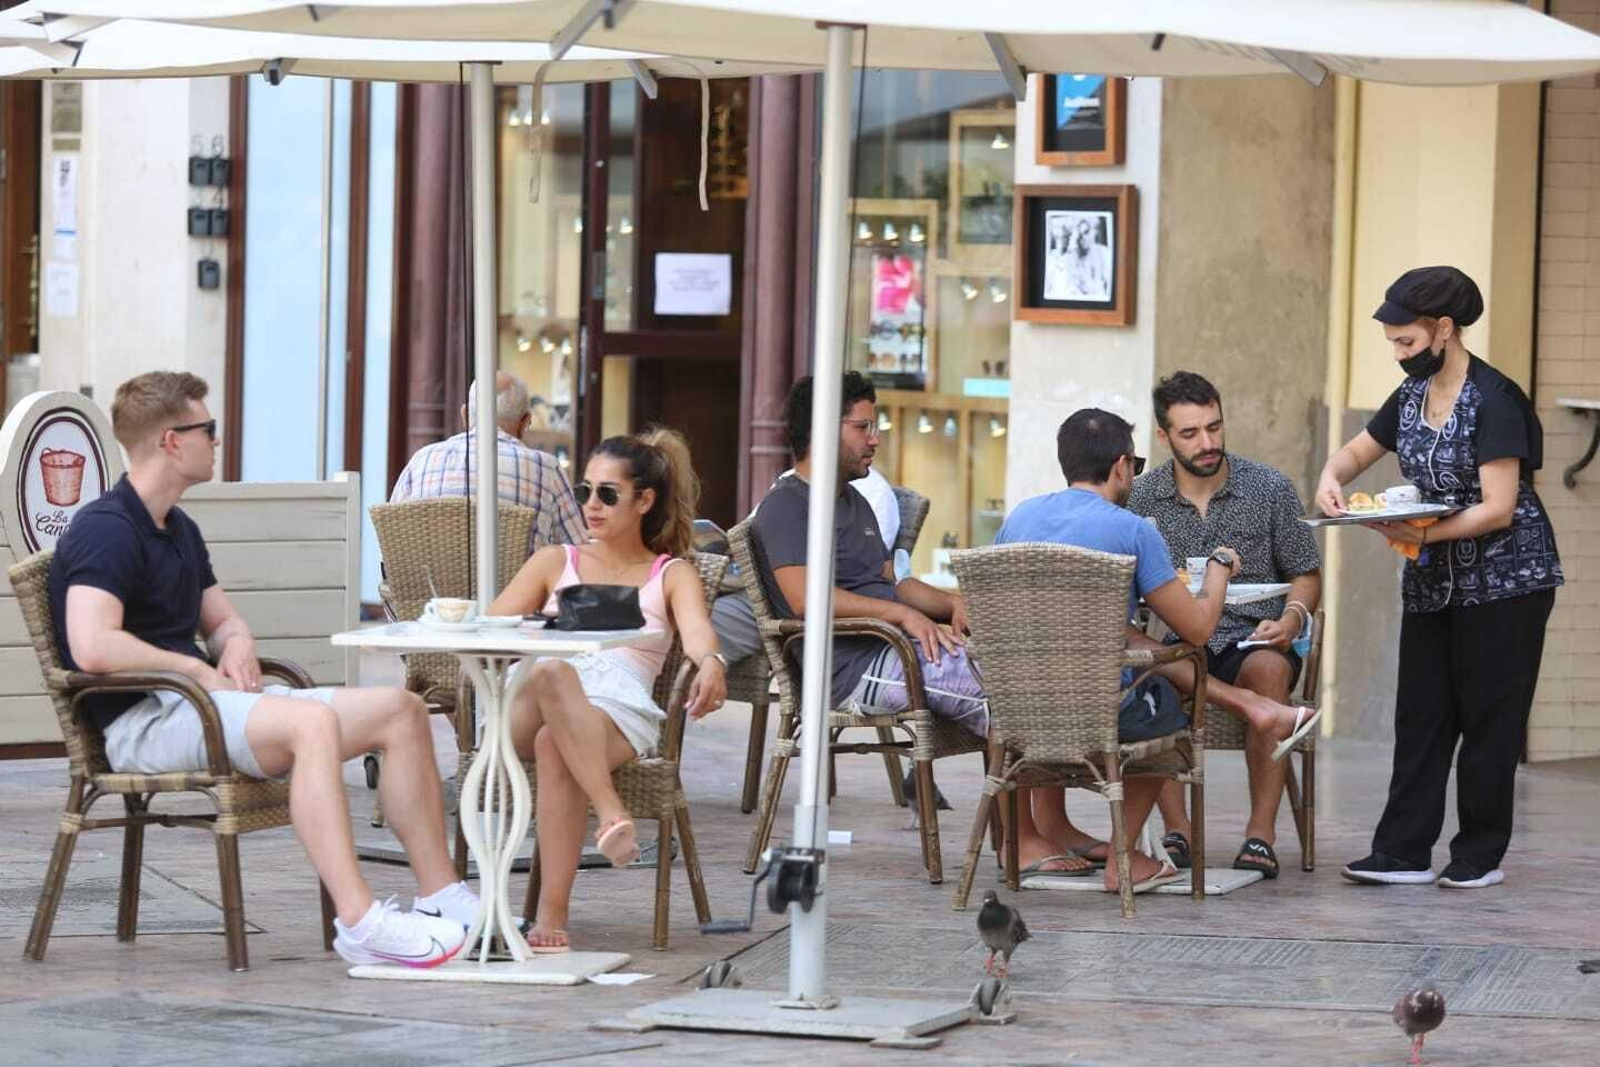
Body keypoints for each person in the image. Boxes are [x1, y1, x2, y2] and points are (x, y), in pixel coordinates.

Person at [50, 372, 473, 968]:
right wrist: (192, 669)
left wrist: (238, 641)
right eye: (210, 430)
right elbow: (92, 645)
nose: (217, 442)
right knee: (311, 726)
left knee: (400, 710)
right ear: (173, 441)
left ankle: (443, 899)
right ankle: (361, 922)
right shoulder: (107, 528)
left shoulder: (178, 527)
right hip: (142, 723)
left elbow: (221, 620)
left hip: (194, 706)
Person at [997, 409, 1316, 890]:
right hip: (1103, 713)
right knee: (1165, 701)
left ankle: (1022, 839)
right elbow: (1199, 630)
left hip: (1017, 711)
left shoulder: (1020, 517)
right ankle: (1124, 858)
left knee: (1129, 638)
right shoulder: (1130, 529)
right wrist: (1219, 568)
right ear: (1122, 465)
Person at [1316, 265, 1562, 890]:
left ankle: (1478, 856)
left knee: (1489, 718)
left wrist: (1422, 534)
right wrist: (1331, 475)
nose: (1399, 354)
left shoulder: (1496, 399)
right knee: (1422, 714)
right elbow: (1358, 450)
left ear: (1444, 330)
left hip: (1508, 581)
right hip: (1432, 578)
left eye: (1407, 342)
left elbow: (1499, 506)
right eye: (1394, 343)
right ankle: (1402, 852)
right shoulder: (1411, 399)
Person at [489, 428, 727, 952]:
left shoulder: (671, 573)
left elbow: (699, 636)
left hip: (614, 707)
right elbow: (491, 629)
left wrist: (711, 662)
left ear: (644, 500)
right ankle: (611, 810)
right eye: (584, 491)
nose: (591, 505)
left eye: (607, 493)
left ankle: (551, 917)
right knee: (553, 673)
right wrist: (542, 625)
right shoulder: (555, 561)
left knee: (558, 743)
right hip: (528, 699)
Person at [1128, 371, 1323, 880]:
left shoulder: (1269, 487)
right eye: (1190, 433)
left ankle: (1260, 835)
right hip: (1174, 640)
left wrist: (1292, 618)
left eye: (1214, 427)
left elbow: (1306, 573)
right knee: (1151, 680)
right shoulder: (1140, 498)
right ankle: (1178, 831)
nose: (1208, 442)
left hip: (1253, 634)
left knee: (1267, 671)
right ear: (1163, 435)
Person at [748, 372, 988, 740]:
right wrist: (901, 615)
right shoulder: (786, 505)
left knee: (1012, 677)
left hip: (895, 649)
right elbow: (805, 599)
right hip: (855, 669)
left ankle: (1021, 782)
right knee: (1005, 697)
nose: (875, 439)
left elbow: (894, 583)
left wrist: (951, 603)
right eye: (864, 427)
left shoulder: (855, 500)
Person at [709, 462, 902, 666]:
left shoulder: (869, 494)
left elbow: (871, 574)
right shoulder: (792, 487)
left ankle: (697, 670)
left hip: (790, 599)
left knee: (703, 620)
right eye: (864, 428)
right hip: (755, 581)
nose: (874, 440)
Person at [390, 370, 585, 552]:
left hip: (428, 589)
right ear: (525, 422)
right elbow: (576, 550)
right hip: (521, 589)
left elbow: (391, 541)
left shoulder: (422, 460)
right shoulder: (546, 469)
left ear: (465, 415)